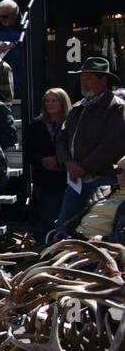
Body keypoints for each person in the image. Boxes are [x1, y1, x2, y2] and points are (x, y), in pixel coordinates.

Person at [54, 56, 125, 229]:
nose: (84, 83)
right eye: (82, 78)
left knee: (95, 226)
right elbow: (61, 138)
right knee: (64, 226)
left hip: (103, 180)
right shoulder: (78, 107)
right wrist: (68, 162)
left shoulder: (117, 108)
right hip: (76, 181)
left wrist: (83, 167)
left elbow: (111, 145)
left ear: (104, 80)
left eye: (89, 78)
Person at [27, 88, 70, 241]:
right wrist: (42, 161)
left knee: (67, 215)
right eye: (47, 101)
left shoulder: (71, 122)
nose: (50, 104)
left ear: (62, 102)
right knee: (49, 215)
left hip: (67, 177)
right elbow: (29, 151)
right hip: (45, 179)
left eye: (54, 100)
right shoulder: (36, 124)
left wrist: (59, 160)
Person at [55, 153, 125, 245]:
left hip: (102, 248)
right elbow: (80, 216)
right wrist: (63, 231)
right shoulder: (103, 190)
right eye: (119, 170)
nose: (122, 175)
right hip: (75, 239)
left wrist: (103, 239)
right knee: (37, 256)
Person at [0, 0, 24, 94]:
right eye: (0, 16)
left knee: (17, 54)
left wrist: (15, 44)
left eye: (5, 16)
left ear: (15, 14)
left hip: (17, 64)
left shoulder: (24, 26)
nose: (2, 19)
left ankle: (16, 88)